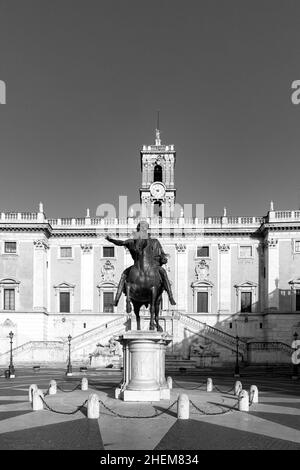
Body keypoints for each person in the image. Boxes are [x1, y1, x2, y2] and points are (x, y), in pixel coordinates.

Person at [105, 221, 176, 311]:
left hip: (153, 265)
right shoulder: (133, 241)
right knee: (124, 275)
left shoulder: (154, 241)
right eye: (139, 228)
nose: (141, 230)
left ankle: (170, 296)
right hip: (137, 264)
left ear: (147, 230)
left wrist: (163, 258)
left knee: (163, 272)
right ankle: (116, 299)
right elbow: (121, 243)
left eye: (143, 228)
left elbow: (161, 253)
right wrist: (111, 240)